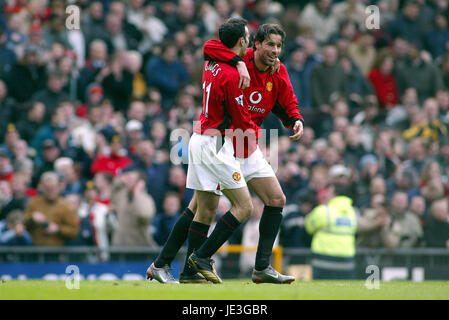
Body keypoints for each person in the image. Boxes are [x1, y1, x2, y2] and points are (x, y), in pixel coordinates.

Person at [148, 22, 303, 284]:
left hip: (243, 143)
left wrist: (295, 119)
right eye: (270, 45)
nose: (275, 51)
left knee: (276, 199)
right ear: (253, 44)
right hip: (226, 143)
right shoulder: (237, 65)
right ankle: (192, 264)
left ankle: (261, 267)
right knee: (208, 208)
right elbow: (211, 45)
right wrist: (239, 63)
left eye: (279, 46)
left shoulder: (278, 71)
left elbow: (286, 101)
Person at [147, 17, 256, 284]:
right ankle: (202, 257)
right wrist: (252, 140)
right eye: (248, 37)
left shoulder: (213, 60)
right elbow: (241, 121)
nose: (250, 41)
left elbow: (210, 45)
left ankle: (174, 268)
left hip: (200, 137)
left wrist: (240, 60)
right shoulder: (232, 76)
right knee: (244, 206)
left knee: (202, 209)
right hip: (215, 144)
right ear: (241, 41)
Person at [305, 183, 358, 280]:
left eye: (329, 192)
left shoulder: (323, 211)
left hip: (323, 260)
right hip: (347, 260)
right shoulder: (353, 212)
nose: (326, 195)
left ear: (335, 195)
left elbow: (308, 227)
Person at [23, 171, 79, 246]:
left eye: (53, 187)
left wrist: (58, 229)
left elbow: (74, 231)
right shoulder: (34, 203)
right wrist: (32, 218)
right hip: (36, 249)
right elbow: (23, 224)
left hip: (56, 250)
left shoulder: (65, 206)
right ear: (42, 187)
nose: (50, 191)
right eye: (47, 188)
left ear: (59, 187)